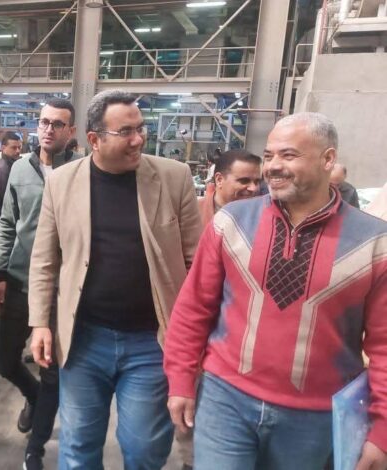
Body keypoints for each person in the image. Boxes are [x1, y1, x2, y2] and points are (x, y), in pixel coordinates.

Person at [163, 112, 387, 470]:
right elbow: (194, 308)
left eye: (288, 155)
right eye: (268, 156)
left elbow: (384, 346)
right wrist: (180, 379)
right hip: (225, 401)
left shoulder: (374, 243)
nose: (273, 166)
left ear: (328, 159)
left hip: (314, 419)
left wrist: (382, 431)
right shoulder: (231, 222)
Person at [28, 90, 202, 470]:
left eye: (141, 129)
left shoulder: (173, 178)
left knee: (144, 449)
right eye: (126, 132)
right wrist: (40, 322)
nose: (138, 139)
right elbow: (44, 259)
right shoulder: (62, 182)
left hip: (151, 341)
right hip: (83, 339)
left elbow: (197, 263)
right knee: (78, 447)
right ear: (94, 139)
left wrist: (193, 339)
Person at [0, 99, 81, 470]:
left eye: (58, 124)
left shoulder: (81, 172)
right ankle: (33, 396)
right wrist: (0, 273)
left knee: (52, 373)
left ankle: (36, 448)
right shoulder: (19, 169)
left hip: (62, 289)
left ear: (71, 131)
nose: (48, 129)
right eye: (44, 122)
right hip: (20, 280)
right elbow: (7, 222)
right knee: (4, 362)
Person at [198, 149, 262, 226]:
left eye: (257, 182)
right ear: (219, 180)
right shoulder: (193, 212)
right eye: (244, 181)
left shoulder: (264, 216)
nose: (254, 188)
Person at [0, 132, 23, 240]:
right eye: (14, 148)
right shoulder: (1, 170)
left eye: (19, 147)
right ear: (3, 148)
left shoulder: (11, 167)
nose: (18, 151)